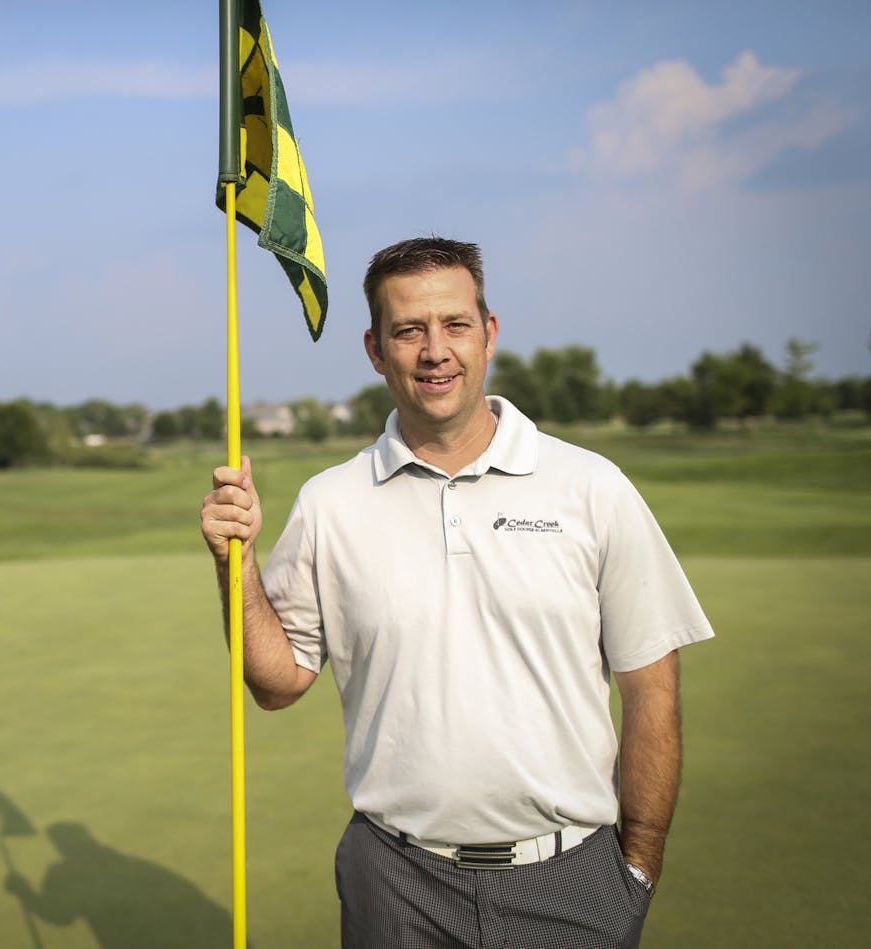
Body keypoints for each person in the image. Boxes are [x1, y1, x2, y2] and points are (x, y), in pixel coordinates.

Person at [199, 237, 714, 949]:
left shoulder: (592, 486)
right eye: (408, 330)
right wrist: (238, 565)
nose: (434, 350)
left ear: (489, 333)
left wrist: (638, 867)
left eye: (455, 325)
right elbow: (277, 682)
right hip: (395, 880)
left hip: (571, 877)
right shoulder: (330, 502)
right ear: (376, 349)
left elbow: (651, 689)